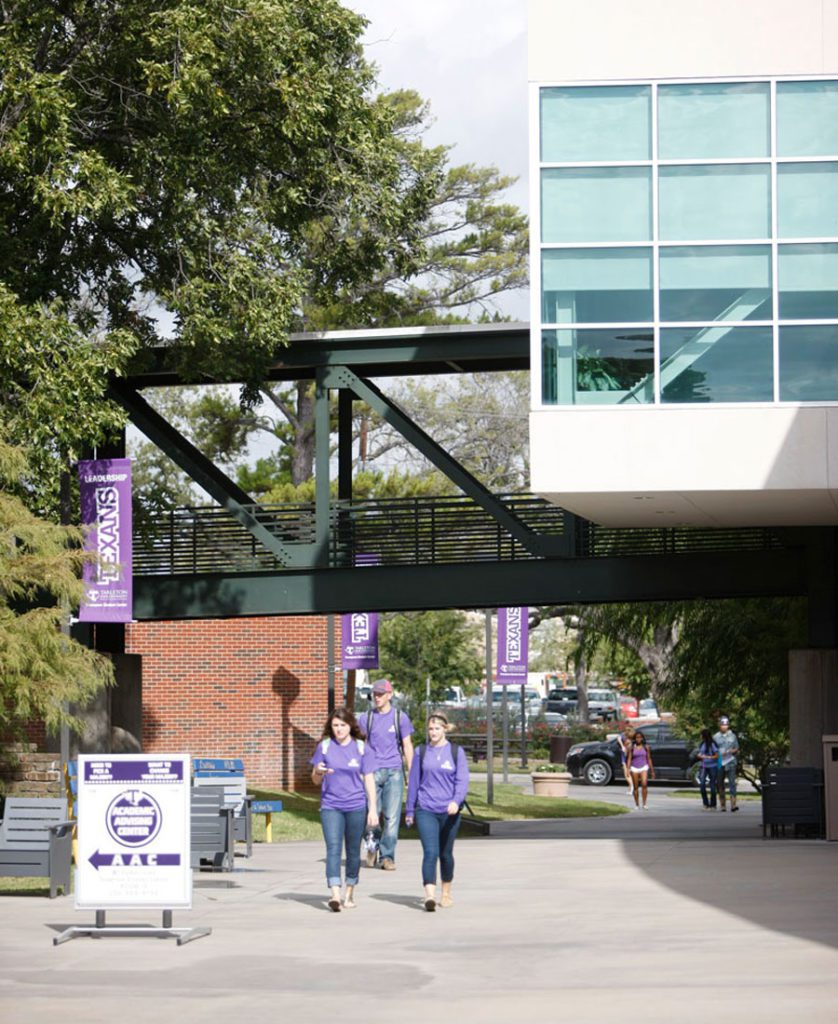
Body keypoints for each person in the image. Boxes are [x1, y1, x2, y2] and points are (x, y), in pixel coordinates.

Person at [310, 706, 378, 912]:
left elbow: (369, 779)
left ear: (350, 726)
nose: (338, 729)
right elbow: (314, 780)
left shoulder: (361, 748)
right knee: (333, 848)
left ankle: (349, 891)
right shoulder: (324, 746)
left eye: (342, 725)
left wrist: (373, 808)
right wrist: (318, 772)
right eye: (335, 725)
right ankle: (335, 893)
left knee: (353, 851)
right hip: (331, 805)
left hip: (356, 805)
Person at [405, 711, 469, 912]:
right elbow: (414, 782)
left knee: (445, 854)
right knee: (430, 852)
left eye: (437, 728)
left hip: (449, 811)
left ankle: (446, 893)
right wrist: (409, 810)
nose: (433, 732)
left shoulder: (456, 752)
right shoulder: (420, 752)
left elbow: (462, 780)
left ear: (445, 729)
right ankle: (430, 896)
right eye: (430, 729)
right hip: (426, 809)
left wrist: (456, 801)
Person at [363, 678, 414, 871]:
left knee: (392, 817)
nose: (376, 698)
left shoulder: (400, 718)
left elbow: (407, 746)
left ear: (390, 695)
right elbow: (362, 745)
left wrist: (411, 772)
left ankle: (387, 856)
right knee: (371, 814)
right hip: (372, 772)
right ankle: (371, 847)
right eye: (374, 694)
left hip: (394, 771)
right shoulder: (366, 718)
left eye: (380, 694)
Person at [713, 715, 740, 812]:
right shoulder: (715, 737)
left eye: (726, 725)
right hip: (720, 762)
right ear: (719, 725)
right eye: (722, 725)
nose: (724, 726)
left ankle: (733, 805)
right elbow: (713, 750)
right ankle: (723, 805)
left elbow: (737, 748)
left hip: (731, 762)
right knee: (720, 783)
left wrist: (731, 751)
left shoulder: (733, 736)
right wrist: (719, 753)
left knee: (732, 783)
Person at [628, 730, 655, 809]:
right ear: (634, 738)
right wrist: (628, 769)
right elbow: (629, 758)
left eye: (640, 737)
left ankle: (644, 804)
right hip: (634, 768)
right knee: (636, 787)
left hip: (644, 767)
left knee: (644, 784)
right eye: (637, 738)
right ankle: (637, 804)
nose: (638, 739)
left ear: (642, 738)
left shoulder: (646, 747)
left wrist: (652, 771)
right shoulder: (632, 747)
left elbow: (649, 759)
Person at [697, 728, 719, 810]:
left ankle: (713, 804)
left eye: (701, 734)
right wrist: (699, 755)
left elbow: (717, 755)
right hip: (704, 766)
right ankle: (705, 803)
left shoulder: (712, 744)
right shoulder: (702, 744)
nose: (700, 736)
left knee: (712, 785)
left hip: (712, 766)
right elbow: (700, 753)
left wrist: (708, 757)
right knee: (702, 784)